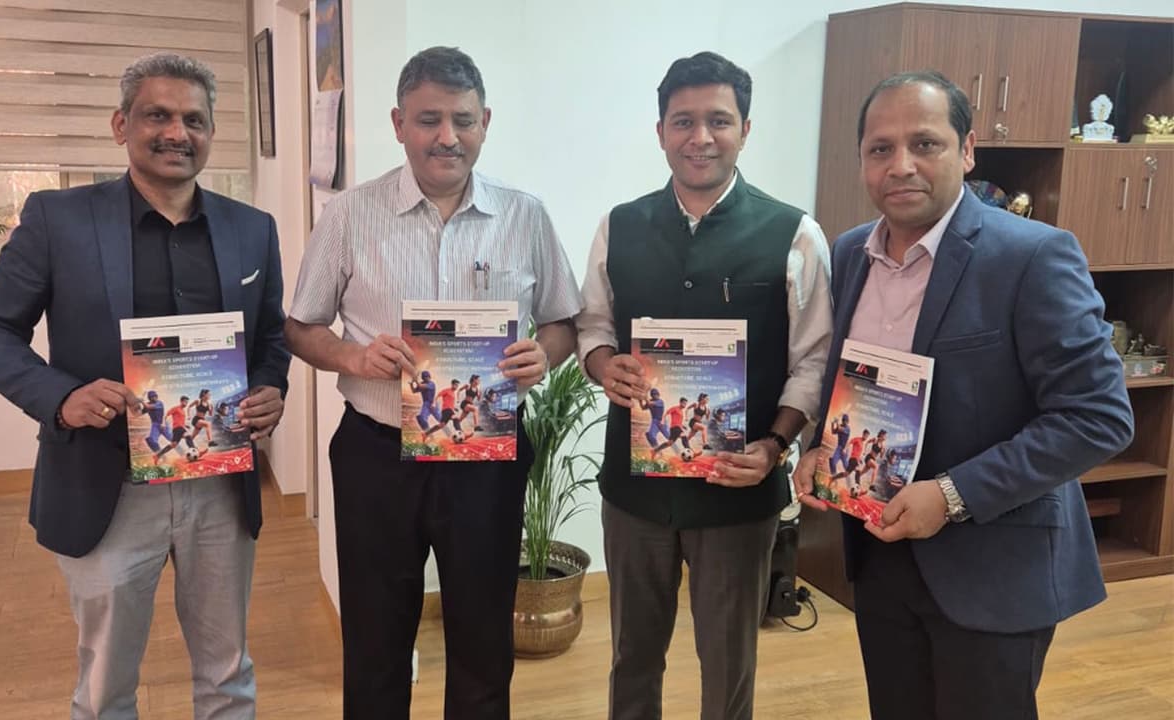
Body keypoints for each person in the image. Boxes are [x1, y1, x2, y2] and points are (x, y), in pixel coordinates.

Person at [793, 71, 1133, 720]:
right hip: (879, 550)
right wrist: (821, 449)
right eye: (880, 149)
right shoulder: (849, 255)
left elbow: (1098, 417)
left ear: (968, 149)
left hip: (992, 564)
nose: (902, 165)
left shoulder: (1031, 256)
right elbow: (856, 381)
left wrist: (950, 497)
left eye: (925, 143)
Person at [0, 52, 290, 719]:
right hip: (106, 488)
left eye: (194, 119)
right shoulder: (59, 219)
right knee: (107, 685)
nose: (177, 132)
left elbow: (272, 340)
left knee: (228, 677)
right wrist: (60, 398)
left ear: (211, 132)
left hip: (219, 489)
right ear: (121, 125)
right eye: (158, 115)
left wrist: (268, 388)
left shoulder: (252, 229)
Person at [283, 46, 582, 719]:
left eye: (463, 120)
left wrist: (546, 355)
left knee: (481, 638)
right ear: (397, 123)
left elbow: (565, 321)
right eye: (428, 119)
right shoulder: (349, 216)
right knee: (375, 634)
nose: (448, 136)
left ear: (485, 123)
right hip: (377, 453)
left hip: (487, 456)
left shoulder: (525, 215)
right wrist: (353, 359)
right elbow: (300, 328)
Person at [575, 51, 833, 719]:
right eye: (683, 121)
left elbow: (813, 357)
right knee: (633, 655)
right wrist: (605, 364)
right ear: (659, 131)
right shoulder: (619, 225)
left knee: (728, 662)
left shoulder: (795, 233)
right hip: (634, 491)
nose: (701, 138)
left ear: (746, 129)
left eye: (718, 120)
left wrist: (775, 447)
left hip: (737, 491)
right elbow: (593, 325)